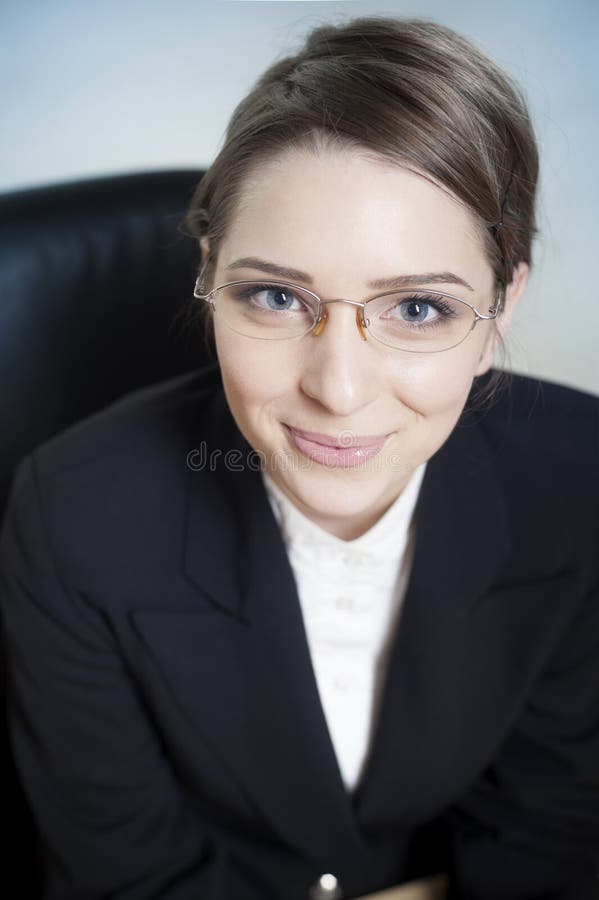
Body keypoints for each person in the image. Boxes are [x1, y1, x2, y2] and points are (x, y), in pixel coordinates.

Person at [1, 16, 598, 900]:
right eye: (276, 296)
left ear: (500, 308)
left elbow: (551, 839)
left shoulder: (581, 479)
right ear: (209, 275)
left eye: (418, 309)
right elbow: (126, 876)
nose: (339, 389)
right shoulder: (72, 515)